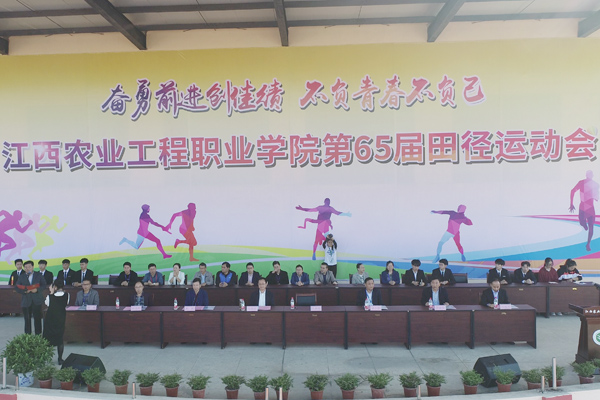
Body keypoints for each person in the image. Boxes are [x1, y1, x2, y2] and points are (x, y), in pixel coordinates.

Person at [569, 170, 599, 251]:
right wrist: (571, 204)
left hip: (590, 208)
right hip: (583, 207)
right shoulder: (581, 182)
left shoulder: (595, 184)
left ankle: (588, 244)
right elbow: (572, 191)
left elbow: (597, 198)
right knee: (582, 223)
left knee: (591, 227)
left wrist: (593, 194)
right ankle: (585, 226)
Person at [15, 260, 46, 334]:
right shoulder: (21, 277)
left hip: (37, 300)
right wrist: (25, 291)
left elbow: (44, 285)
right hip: (26, 300)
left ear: (33, 267)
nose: (27, 268)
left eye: (29, 267)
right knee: (27, 319)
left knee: (37, 318)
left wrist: (37, 290)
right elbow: (17, 287)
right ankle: (28, 335)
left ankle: (38, 335)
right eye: (25, 267)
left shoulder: (38, 275)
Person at [43, 280, 69, 364]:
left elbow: (47, 304)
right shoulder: (67, 295)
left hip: (50, 320)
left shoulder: (50, 297)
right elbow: (66, 303)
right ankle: (60, 359)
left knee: (47, 339)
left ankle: (45, 358)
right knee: (60, 339)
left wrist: (51, 293)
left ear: (55, 287)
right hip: (61, 319)